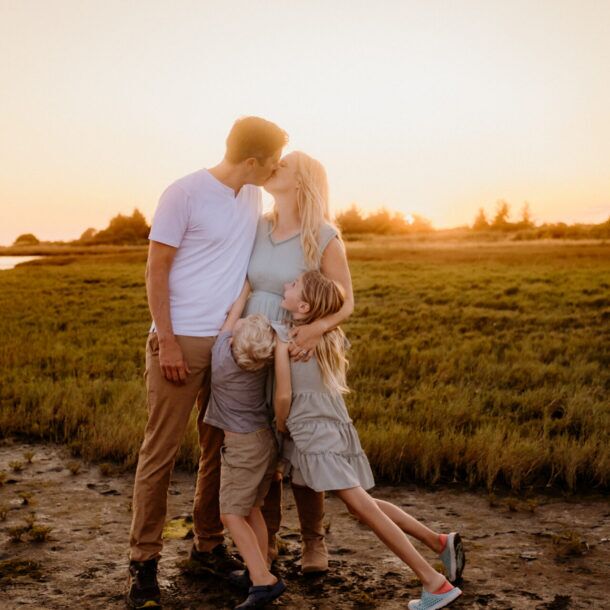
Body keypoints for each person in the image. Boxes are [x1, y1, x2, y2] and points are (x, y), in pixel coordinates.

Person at [127, 116, 288, 609]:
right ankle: (144, 562)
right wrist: (168, 342)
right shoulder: (184, 193)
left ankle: (208, 545)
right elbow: (156, 268)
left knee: (219, 449)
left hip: (230, 347)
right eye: (274, 161)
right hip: (181, 341)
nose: (277, 169)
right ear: (254, 162)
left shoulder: (254, 197)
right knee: (160, 450)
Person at [273, 270, 466, 610]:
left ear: (303, 307)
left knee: (363, 507)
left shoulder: (288, 338)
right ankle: (438, 542)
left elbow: (284, 394)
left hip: (311, 431)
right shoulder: (328, 336)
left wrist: (280, 423)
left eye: (292, 286)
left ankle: (433, 582)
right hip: (335, 426)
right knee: (362, 505)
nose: (285, 286)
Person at [244, 151, 354, 573]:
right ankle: (267, 540)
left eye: (284, 166)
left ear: (303, 182)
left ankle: (314, 542)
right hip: (255, 345)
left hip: (299, 347)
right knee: (262, 443)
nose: (274, 168)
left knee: (305, 442)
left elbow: (345, 300)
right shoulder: (258, 227)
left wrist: (314, 330)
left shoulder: (322, 235)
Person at [202, 291, 286, 609]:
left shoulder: (222, 358)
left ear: (236, 342)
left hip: (243, 447)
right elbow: (242, 333)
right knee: (252, 510)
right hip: (266, 442)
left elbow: (230, 321)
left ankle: (264, 581)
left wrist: (244, 292)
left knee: (231, 514)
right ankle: (258, 569)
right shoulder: (261, 365)